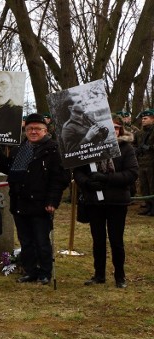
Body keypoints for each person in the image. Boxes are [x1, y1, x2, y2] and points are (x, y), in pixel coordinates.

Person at [0, 113, 69, 285]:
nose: (33, 132)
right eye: (30, 129)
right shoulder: (20, 149)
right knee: (25, 240)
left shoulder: (53, 150)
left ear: (45, 130)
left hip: (41, 204)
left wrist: (52, 201)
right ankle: (30, 271)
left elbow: (60, 179)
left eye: (37, 128)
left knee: (41, 240)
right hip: (20, 203)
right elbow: (8, 169)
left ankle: (45, 272)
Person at [73, 117, 138, 288]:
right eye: (110, 127)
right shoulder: (88, 148)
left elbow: (131, 174)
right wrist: (87, 182)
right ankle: (99, 274)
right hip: (95, 201)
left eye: (117, 128)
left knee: (116, 241)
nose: (114, 130)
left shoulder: (126, 148)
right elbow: (78, 171)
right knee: (98, 240)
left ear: (120, 130)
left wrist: (107, 178)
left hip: (117, 201)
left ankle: (120, 276)